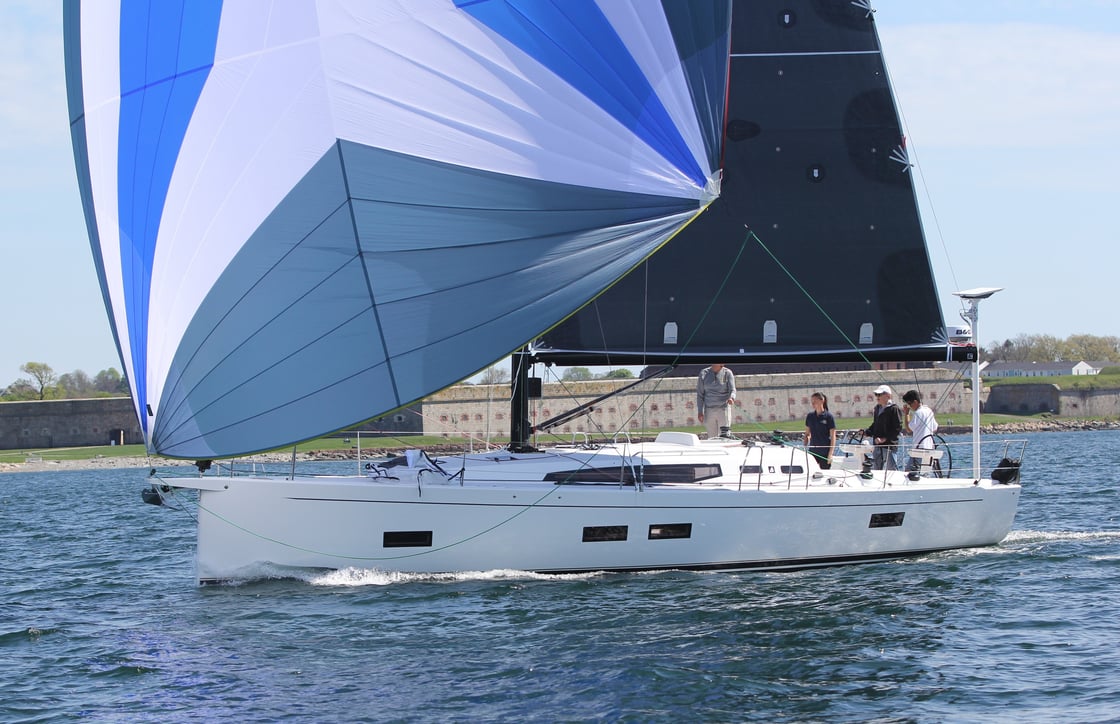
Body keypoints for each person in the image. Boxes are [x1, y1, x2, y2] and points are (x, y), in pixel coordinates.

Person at [865, 384, 902, 471]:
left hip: (889, 445)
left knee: (891, 469)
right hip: (877, 445)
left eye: (880, 394)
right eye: (876, 395)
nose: (877, 397)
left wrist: (884, 439)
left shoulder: (894, 409)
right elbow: (876, 424)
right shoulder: (877, 408)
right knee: (877, 469)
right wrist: (867, 432)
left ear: (888, 396)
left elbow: (897, 428)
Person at [902, 389, 939, 472]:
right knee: (925, 474)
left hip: (919, 449)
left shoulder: (918, 413)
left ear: (915, 402)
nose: (909, 407)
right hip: (930, 448)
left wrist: (907, 414)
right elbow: (935, 428)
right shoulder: (929, 411)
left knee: (909, 473)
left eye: (909, 404)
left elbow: (908, 429)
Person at [697, 363, 736, 438]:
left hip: (724, 409)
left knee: (725, 436)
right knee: (712, 437)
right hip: (709, 410)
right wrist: (700, 411)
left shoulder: (728, 373)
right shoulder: (703, 373)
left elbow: (732, 390)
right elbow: (700, 394)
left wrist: (732, 398)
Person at [803, 391, 837, 469]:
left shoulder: (828, 417)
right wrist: (805, 443)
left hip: (825, 452)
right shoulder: (810, 416)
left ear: (822, 400)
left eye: (815, 401)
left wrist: (830, 454)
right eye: (812, 402)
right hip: (813, 451)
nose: (813, 404)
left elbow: (833, 436)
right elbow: (807, 433)